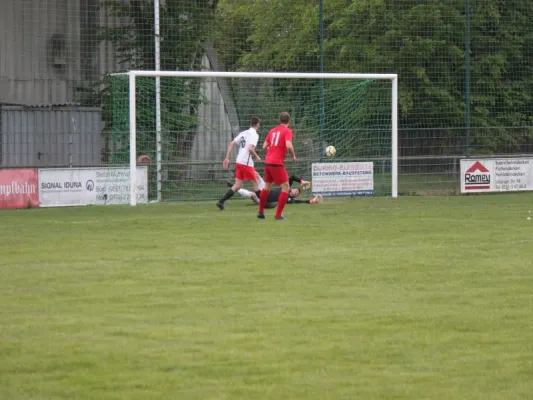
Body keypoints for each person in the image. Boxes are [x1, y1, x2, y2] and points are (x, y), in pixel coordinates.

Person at [216, 116, 261, 210]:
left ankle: (221, 201)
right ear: (257, 125)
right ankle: (265, 204)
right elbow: (250, 148)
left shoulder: (243, 133)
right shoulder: (254, 134)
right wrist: (256, 156)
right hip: (246, 163)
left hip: (239, 161)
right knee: (255, 183)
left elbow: (232, 144)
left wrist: (227, 158)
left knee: (238, 185)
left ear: (250, 124)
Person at [258, 112, 296, 220]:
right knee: (286, 187)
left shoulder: (272, 131)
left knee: (267, 187)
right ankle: (278, 215)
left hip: (268, 162)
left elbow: (264, 146)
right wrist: (293, 155)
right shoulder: (287, 131)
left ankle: (260, 212)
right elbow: (288, 145)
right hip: (277, 163)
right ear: (289, 121)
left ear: (279, 121)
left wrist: (270, 153)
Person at [228, 175, 320, 207]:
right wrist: (301, 181)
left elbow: (299, 202)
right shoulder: (286, 188)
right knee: (255, 175)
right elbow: (292, 177)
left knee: (252, 194)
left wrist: (310, 201)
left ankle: (234, 186)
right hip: (266, 190)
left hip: (263, 201)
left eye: (296, 194)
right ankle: (238, 182)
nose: (296, 192)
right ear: (292, 188)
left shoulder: (289, 199)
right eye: (296, 190)